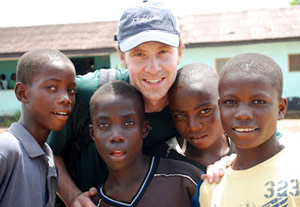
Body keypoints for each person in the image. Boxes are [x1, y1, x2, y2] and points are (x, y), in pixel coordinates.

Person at [46, 2, 228, 206]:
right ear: (122, 57)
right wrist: (71, 195)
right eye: (139, 54)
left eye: (163, 52)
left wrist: (230, 161)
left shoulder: (185, 100)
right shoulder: (89, 93)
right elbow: (44, 150)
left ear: (180, 52)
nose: (153, 68)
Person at [199, 53, 300, 206]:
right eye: (231, 102)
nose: (243, 114)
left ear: (280, 108)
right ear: (219, 107)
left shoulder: (295, 166)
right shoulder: (212, 188)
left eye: (259, 101)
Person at [89, 80, 202, 206]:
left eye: (128, 123)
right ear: (93, 133)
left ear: (144, 129)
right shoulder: (93, 203)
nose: (116, 136)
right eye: (104, 125)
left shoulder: (184, 178)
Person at [0, 48, 76, 207]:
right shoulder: (7, 151)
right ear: (22, 93)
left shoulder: (47, 155)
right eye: (52, 88)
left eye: (71, 90)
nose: (66, 99)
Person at [157, 63, 235, 171]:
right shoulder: (163, 160)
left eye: (205, 111)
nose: (193, 126)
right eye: (180, 116)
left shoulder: (248, 148)